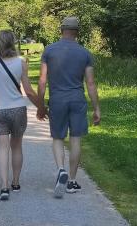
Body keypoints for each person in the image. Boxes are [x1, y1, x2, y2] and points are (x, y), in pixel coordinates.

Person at [37, 16, 101, 198]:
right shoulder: (85, 53)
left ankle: (61, 171)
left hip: (57, 100)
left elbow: (42, 81)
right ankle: (72, 181)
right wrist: (97, 108)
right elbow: (90, 83)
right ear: (77, 32)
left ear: (61, 30)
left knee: (57, 138)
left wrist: (40, 105)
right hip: (77, 100)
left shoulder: (49, 51)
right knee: (75, 139)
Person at [0, 30, 45, 201]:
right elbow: (29, 91)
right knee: (16, 146)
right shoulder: (21, 63)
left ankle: (4, 187)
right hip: (18, 109)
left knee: (2, 148)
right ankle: (15, 183)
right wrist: (41, 107)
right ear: (13, 42)